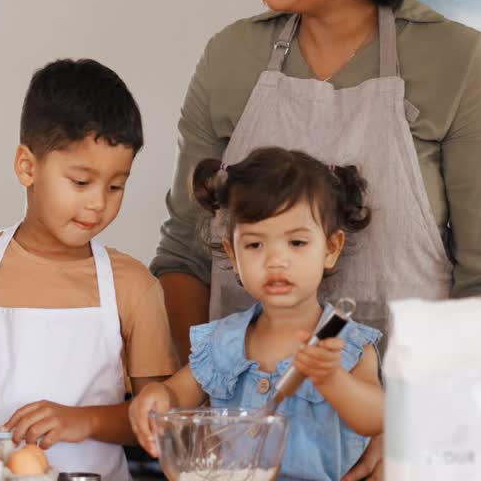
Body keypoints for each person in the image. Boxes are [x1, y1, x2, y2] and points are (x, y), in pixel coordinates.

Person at [149, 0, 481, 480]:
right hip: (246, 453)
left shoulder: (455, 63)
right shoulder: (230, 59)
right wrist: (210, 412)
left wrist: (406, 419)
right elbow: (186, 255)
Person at [0, 59, 180, 481]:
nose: (97, 203)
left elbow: (159, 416)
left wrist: (80, 421)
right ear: (27, 167)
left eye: (115, 186)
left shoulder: (133, 285)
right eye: (81, 181)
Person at [131, 147, 383, 481]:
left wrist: (332, 380)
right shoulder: (223, 341)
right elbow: (177, 396)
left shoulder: (348, 344)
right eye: (254, 245)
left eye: (296, 243)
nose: (275, 260)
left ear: (331, 248)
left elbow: (377, 416)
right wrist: (155, 396)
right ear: (232, 254)